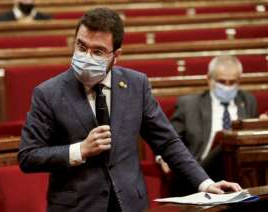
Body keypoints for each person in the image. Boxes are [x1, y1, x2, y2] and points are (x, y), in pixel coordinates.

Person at [19, 8, 241, 212]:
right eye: (81, 46)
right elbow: (28, 156)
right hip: (77, 207)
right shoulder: (48, 93)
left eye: (98, 51)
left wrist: (206, 183)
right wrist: (79, 150)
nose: (86, 57)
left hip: (130, 205)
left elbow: (167, 142)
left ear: (116, 56)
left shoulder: (136, 85)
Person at [157, 55, 258, 194]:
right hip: (202, 170)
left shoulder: (248, 101)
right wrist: (163, 157)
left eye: (232, 82)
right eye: (222, 81)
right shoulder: (189, 105)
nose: (227, 87)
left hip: (238, 173)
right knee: (226, 141)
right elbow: (168, 138)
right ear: (209, 80)